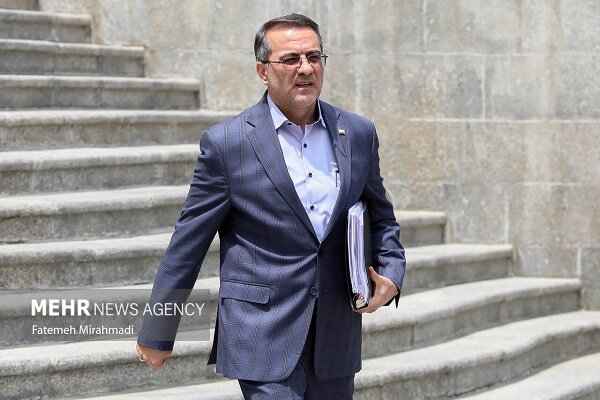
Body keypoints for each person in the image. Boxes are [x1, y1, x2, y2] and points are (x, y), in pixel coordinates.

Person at [136, 13, 406, 399]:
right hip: (261, 332)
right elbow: (188, 243)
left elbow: (381, 218)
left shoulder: (357, 133)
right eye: (291, 59)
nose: (306, 68)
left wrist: (392, 272)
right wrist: (158, 331)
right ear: (263, 71)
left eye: (314, 57)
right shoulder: (228, 144)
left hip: (335, 335)